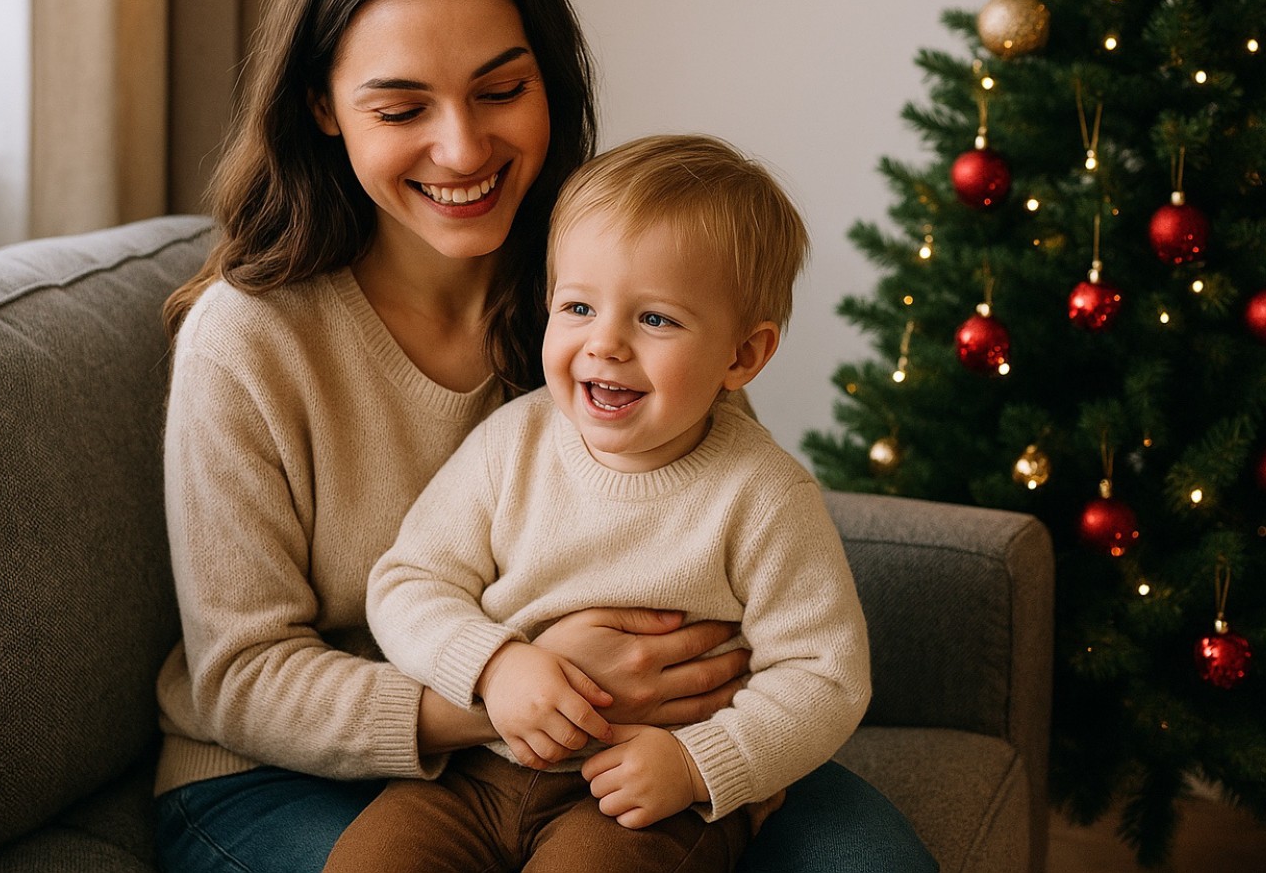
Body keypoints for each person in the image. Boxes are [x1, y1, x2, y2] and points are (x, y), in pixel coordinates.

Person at [152, 0, 937, 873]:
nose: (463, 147)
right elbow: (242, 679)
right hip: (291, 769)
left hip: (627, 753)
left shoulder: (603, 277)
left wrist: (716, 752)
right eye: (401, 109)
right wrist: (517, 689)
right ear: (323, 107)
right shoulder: (249, 338)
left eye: (501, 89)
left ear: (548, 84)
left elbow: (725, 517)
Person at [326, 134, 872, 873]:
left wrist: (697, 762)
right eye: (578, 305)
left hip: (649, 794)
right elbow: (407, 582)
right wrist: (495, 668)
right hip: (476, 773)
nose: (604, 343)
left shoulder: (763, 494)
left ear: (742, 356)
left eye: (655, 319)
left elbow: (825, 675)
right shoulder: (511, 443)